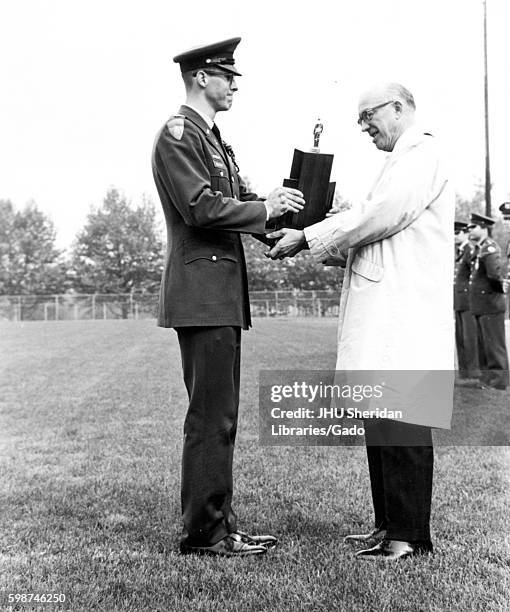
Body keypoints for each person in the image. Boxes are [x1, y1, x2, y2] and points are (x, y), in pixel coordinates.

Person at [267, 82, 454, 560]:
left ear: (399, 108)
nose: (363, 126)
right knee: (381, 421)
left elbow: (382, 216)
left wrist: (309, 235)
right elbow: (376, 230)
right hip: (390, 314)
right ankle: (389, 525)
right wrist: (331, 231)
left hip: (403, 318)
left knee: (403, 425)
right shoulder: (400, 162)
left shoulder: (422, 153)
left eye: (368, 115)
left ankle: (410, 537)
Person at [151, 37, 305, 557]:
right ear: (201, 78)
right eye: (226, 76)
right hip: (203, 295)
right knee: (211, 417)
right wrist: (265, 211)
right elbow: (200, 206)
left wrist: (280, 228)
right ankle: (205, 534)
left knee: (222, 416)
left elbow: (234, 200)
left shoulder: (211, 138)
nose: (233, 85)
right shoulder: (179, 135)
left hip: (216, 295)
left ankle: (219, 524)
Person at [467, 213, 509, 390]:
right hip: (482, 304)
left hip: (491, 303)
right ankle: (486, 379)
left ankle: (499, 381)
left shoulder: (490, 248)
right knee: (484, 344)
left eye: (473, 227)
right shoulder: (480, 248)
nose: (470, 230)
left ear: (483, 228)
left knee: (494, 346)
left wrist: (500, 289)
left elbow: (494, 274)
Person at [454, 221, 479, 380]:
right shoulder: (458, 252)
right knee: (461, 338)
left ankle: (473, 372)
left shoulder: (470, 251)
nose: (454, 236)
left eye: (457, 233)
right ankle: (464, 373)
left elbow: (475, 276)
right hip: (459, 300)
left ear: (464, 233)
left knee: (470, 338)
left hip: (469, 300)